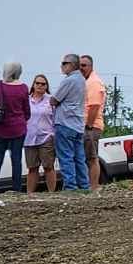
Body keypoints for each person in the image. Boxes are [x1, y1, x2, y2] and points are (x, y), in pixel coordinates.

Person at [0, 62, 31, 193]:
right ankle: (16, 189)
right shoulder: (23, 88)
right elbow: (26, 110)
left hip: (1, 128)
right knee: (16, 159)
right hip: (18, 128)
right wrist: (22, 119)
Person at [51, 52, 90, 192]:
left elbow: (54, 100)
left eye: (64, 63)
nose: (61, 66)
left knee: (66, 157)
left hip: (65, 123)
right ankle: (84, 186)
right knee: (79, 157)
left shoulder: (69, 80)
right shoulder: (81, 80)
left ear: (72, 65)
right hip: (78, 124)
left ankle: (70, 187)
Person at [24, 75, 57, 192]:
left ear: (46, 86)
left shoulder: (51, 100)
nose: (40, 86)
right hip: (29, 138)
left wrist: (53, 134)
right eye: (37, 83)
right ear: (33, 84)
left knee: (48, 166)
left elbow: (56, 117)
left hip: (46, 137)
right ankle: (30, 194)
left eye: (43, 84)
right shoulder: (26, 100)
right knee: (32, 168)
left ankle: (52, 193)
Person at [80, 53, 106, 189]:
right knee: (86, 157)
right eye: (79, 66)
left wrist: (88, 126)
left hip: (91, 126)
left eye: (84, 65)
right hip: (86, 125)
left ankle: (93, 187)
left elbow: (95, 105)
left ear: (91, 66)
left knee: (91, 157)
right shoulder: (87, 81)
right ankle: (88, 186)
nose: (81, 68)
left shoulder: (93, 82)